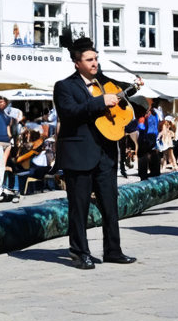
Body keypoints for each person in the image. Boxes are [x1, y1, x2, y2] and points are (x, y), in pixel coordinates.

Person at [53, 37, 139, 269]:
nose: (95, 63)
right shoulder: (64, 86)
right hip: (79, 153)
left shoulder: (105, 82)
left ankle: (113, 250)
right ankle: (80, 252)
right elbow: (70, 112)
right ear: (76, 63)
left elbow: (126, 96)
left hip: (106, 152)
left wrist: (135, 86)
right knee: (78, 207)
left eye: (96, 59)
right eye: (89, 60)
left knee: (110, 205)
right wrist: (100, 101)